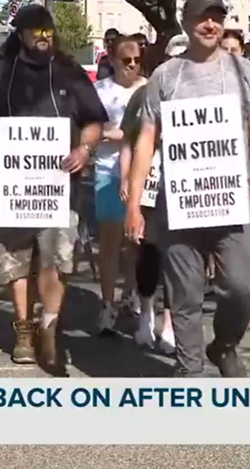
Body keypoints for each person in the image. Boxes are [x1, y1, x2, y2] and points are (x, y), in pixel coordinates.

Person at [126, 0, 250, 378]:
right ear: (186, 22)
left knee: (240, 288)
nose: (210, 24)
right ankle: (190, 370)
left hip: (233, 200)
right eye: (202, 17)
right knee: (184, 293)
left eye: (216, 17)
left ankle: (224, 344)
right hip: (180, 202)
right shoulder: (166, 76)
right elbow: (146, 139)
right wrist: (134, 203)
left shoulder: (244, 73)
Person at [0, 4, 108, 373]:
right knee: (15, 260)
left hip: (59, 189)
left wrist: (84, 149)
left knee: (56, 259)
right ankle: (23, 330)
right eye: (34, 30)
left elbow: (95, 120)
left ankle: (50, 328)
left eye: (47, 30)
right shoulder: (1, 72)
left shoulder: (69, 71)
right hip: (11, 188)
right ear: (21, 34)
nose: (43, 37)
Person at [92, 35, 147, 334]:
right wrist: (121, 134)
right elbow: (92, 128)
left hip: (143, 175)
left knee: (137, 242)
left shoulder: (148, 88)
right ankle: (106, 304)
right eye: (126, 60)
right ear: (112, 61)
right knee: (110, 242)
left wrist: (117, 133)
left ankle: (131, 294)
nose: (132, 65)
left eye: (137, 60)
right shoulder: (100, 91)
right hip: (107, 172)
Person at [118, 77, 176, 354]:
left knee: (179, 257)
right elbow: (128, 141)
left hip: (184, 186)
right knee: (149, 250)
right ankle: (146, 315)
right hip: (149, 183)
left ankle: (170, 324)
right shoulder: (142, 95)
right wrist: (125, 178)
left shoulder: (200, 88)